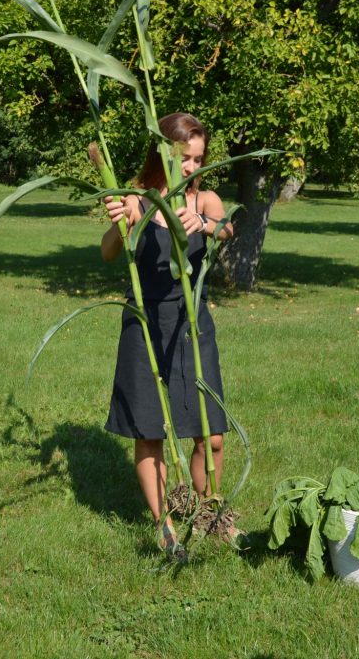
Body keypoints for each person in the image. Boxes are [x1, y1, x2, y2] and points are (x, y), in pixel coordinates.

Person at [100, 112, 234, 557]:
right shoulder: (138, 199)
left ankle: (212, 513)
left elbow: (228, 228)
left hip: (193, 325)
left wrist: (208, 226)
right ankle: (164, 523)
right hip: (145, 324)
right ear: (163, 154)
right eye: (184, 158)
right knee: (150, 430)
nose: (192, 168)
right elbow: (107, 251)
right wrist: (125, 222)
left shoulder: (204, 200)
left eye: (198, 159)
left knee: (211, 433)